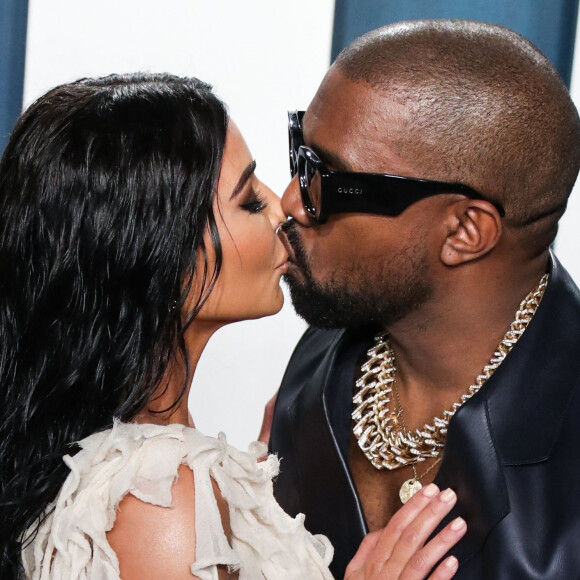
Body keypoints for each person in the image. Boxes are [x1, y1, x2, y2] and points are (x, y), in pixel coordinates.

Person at [0, 73, 465, 580]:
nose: (283, 207)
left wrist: (253, 503)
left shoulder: (157, 463)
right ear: (160, 253)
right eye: (249, 201)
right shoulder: (156, 502)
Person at [270, 19, 580, 580]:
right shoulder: (321, 361)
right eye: (300, 153)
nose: (291, 199)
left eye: (331, 180)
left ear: (465, 231)